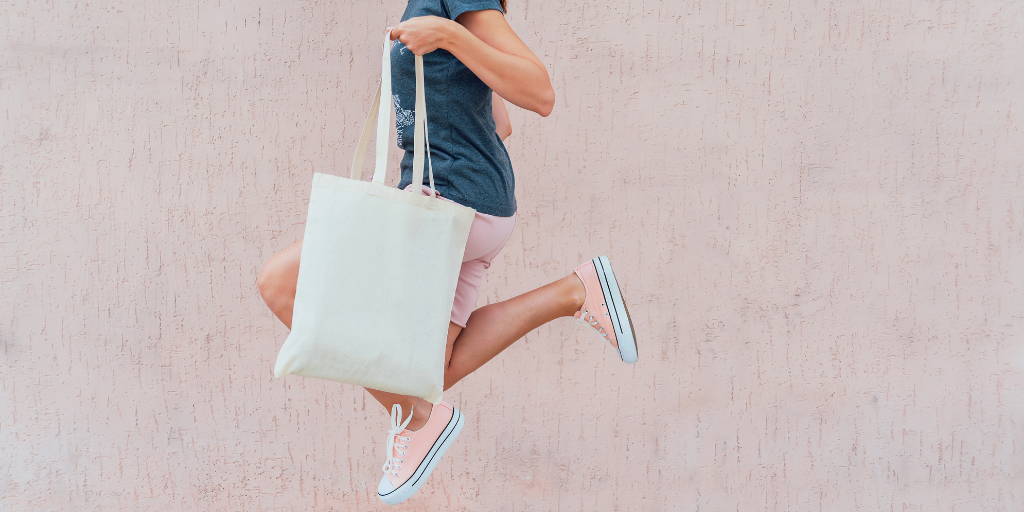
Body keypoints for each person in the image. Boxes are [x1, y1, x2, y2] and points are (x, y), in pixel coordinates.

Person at [256, 0, 637, 504]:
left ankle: (418, 420)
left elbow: (539, 93)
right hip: (472, 206)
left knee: (281, 282)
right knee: (428, 370)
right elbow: (498, 120)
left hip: (452, 206)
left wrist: (449, 37)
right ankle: (574, 291)